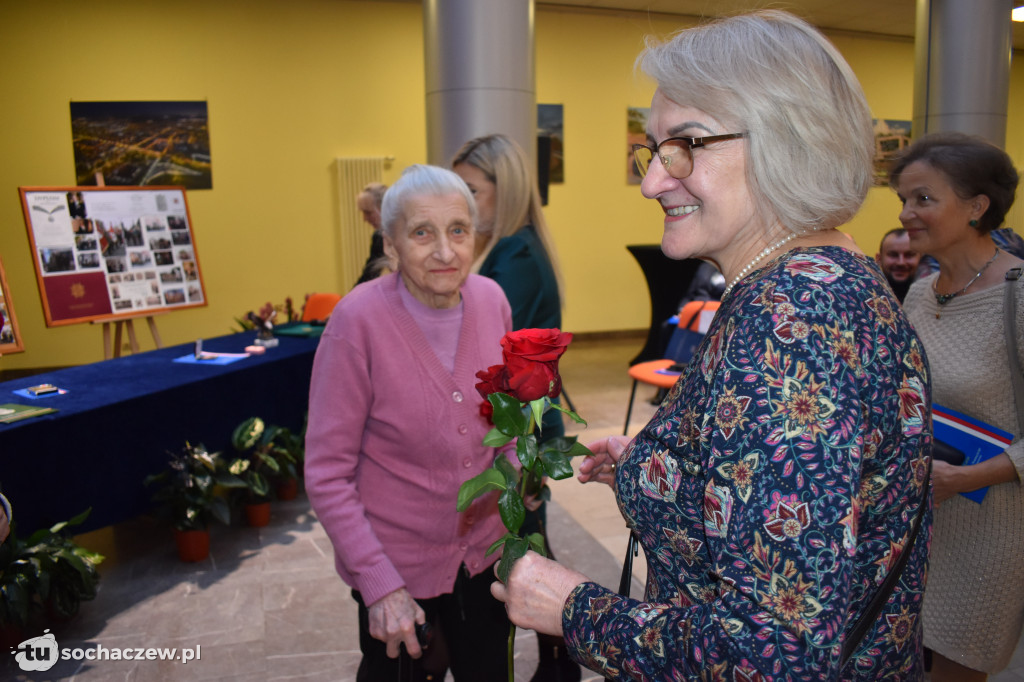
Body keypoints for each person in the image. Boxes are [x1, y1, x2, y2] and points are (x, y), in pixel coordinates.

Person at [491, 11, 932, 681]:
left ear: (789, 141)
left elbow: (772, 657)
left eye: (688, 144)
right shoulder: (834, 272)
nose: (651, 181)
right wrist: (667, 472)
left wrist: (573, 608)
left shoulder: (787, 325)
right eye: (654, 148)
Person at [305, 164, 514, 681]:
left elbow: (506, 427)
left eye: (458, 230)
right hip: (396, 567)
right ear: (391, 243)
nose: (445, 251)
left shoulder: (492, 301)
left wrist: (518, 486)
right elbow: (327, 473)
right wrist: (380, 585)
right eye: (423, 233)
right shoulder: (356, 323)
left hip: (484, 557)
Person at [892, 131, 1024, 682]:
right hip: (917, 523)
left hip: (991, 530)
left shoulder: (1017, 296)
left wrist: (964, 480)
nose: (906, 213)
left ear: (976, 206)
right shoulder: (921, 293)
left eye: (924, 198)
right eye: (903, 199)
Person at [452, 133, 578, 681]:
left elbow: (483, 357)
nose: (461, 202)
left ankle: (558, 656)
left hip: (520, 426)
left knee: (516, 548)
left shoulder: (516, 258)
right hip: (524, 421)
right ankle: (559, 658)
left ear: (506, 191)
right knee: (529, 539)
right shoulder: (506, 249)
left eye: (471, 191)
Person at [354, 182, 388, 285]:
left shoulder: (391, 237)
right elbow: (369, 273)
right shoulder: (379, 237)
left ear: (384, 208)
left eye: (368, 212)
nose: (365, 219)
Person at [876, 227, 920, 302]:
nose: (901, 262)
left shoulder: (933, 296)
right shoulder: (867, 295)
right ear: (879, 259)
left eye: (909, 255)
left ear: (921, 258)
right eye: (893, 255)